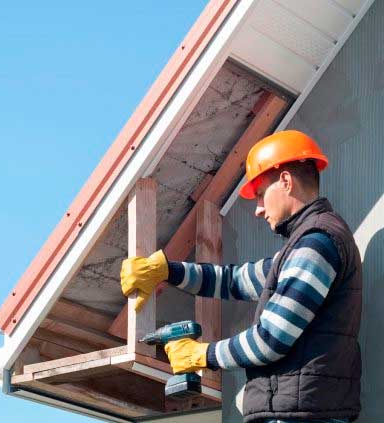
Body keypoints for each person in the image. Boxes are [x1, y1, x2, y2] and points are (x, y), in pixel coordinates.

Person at [120, 130, 362, 423]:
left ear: (285, 182)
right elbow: (235, 280)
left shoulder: (316, 245)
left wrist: (203, 355)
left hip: (302, 415)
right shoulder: (303, 245)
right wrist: (167, 271)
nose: (258, 210)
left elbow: (270, 340)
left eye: (260, 195)